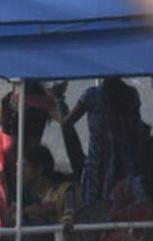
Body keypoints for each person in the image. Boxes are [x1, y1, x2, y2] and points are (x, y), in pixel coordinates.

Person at [0, 83, 62, 228]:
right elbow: (64, 120)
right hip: (24, 167)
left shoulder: (12, 100)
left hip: (11, 166)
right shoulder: (43, 103)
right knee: (21, 206)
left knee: (13, 207)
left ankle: (7, 236)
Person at [62, 77, 144, 206]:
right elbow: (137, 131)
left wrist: (58, 100)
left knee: (94, 207)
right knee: (122, 205)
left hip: (97, 164)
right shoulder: (131, 95)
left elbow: (66, 123)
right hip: (125, 163)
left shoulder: (92, 95)